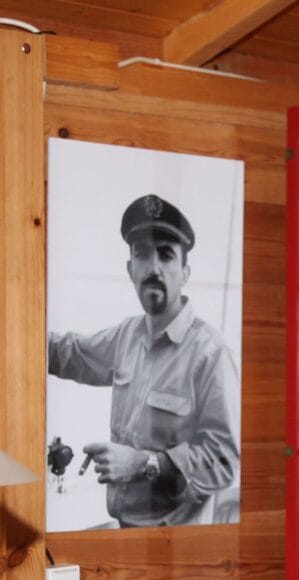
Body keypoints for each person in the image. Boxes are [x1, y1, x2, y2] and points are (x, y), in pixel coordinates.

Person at [48, 193, 240, 527]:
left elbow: (224, 461)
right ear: (130, 269)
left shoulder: (210, 353)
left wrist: (143, 463)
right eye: (142, 255)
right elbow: (69, 354)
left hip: (179, 548)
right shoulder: (127, 336)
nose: (153, 268)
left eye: (166, 256)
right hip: (127, 533)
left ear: (184, 271)